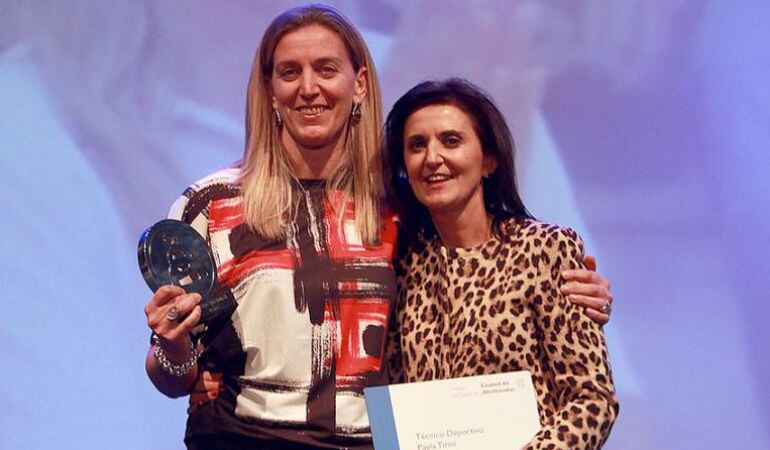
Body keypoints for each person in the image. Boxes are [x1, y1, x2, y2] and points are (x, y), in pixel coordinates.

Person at [143, 5, 614, 449]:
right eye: (290, 72)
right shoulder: (210, 204)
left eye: (327, 69)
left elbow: (480, 270)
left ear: (360, 83)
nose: (309, 88)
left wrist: (567, 293)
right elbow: (172, 373)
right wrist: (174, 347)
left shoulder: (400, 208)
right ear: (270, 91)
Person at [383, 78, 619, 449]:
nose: (432, 158)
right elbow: (394, 406)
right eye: (416, 145)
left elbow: (592, 399)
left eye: (451, 140)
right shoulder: (400, 266)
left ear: (489, 160)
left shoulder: (545, 249)